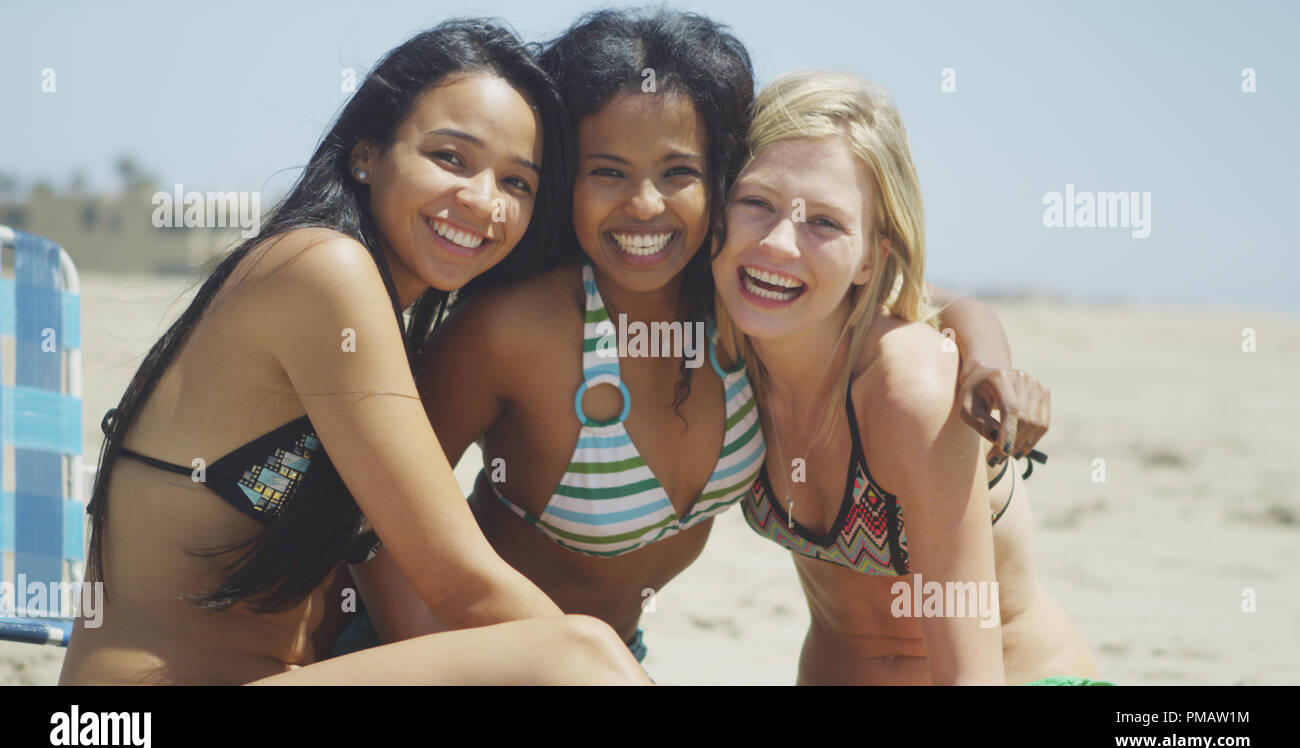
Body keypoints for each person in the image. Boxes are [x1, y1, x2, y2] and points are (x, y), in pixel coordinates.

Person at [357, 10, 1056, 676]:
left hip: (614, 662)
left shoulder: (739, 310)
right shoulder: (516, 329)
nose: (645, 205)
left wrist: (987, 359)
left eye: (678, 173)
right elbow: (373, 519)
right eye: (607, 171)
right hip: (464, 656)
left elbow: (917, 313)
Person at [59, 19, 649, 686]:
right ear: (367, 153)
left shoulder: (377, 323)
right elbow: (461, 582)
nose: (484, 201)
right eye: (451, 158)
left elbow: (431, 615)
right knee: (579, 655)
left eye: (517, 183)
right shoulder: (323, 270)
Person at [712, 69, 1105, 685]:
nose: (780, 243)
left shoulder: (912, 390)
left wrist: (984, 362)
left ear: (872, 256)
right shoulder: (718, 353)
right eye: (757, 202)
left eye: (825, 223)